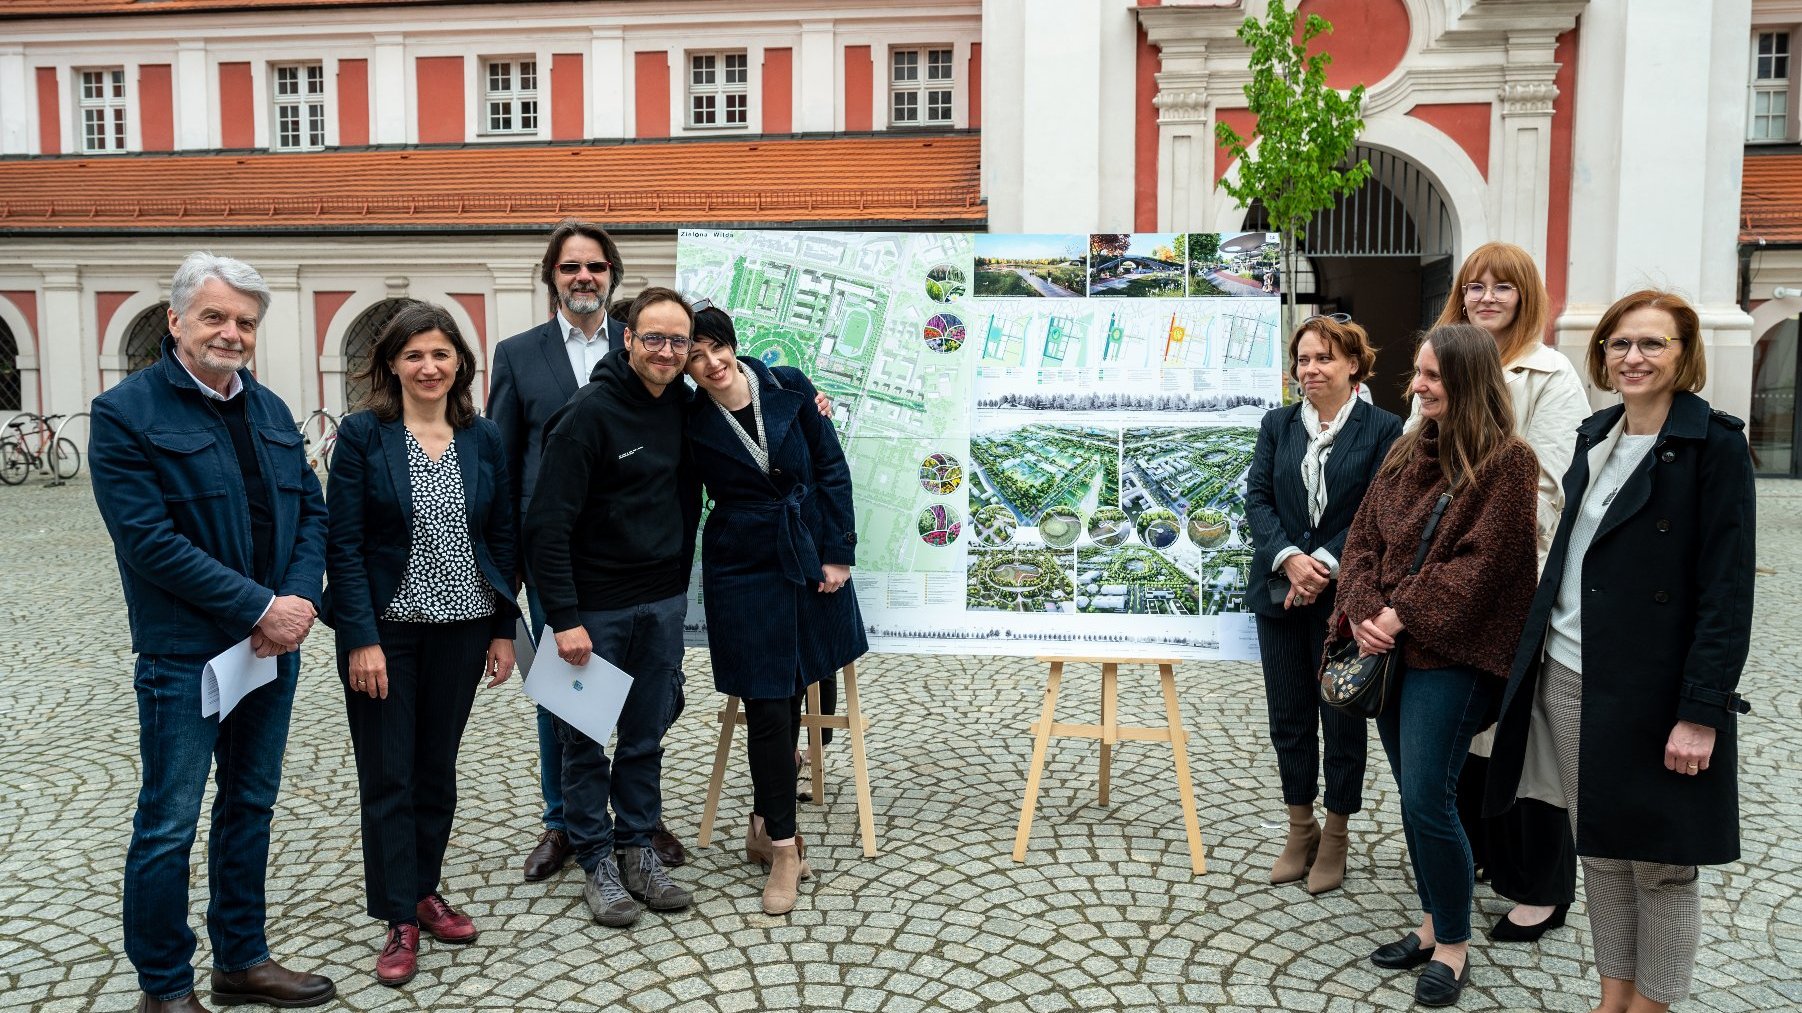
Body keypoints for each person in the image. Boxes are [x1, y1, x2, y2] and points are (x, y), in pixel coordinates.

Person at [1487, 291, 1755, 1013]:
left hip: (1657, 691)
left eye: (1652, 344)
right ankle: (1613, 998)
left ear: (1683, 355)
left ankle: (1654, 1004)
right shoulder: (1595, 433)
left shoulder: (1716, 447)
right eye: (1619, 344)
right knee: (1600, 850)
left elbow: (1724, 592)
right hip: (1573, 675)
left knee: (1662, 866)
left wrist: (1702, 712)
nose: (1632, 357)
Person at [89, 252, 335, 1013]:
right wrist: (260, 608)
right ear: (176, 320)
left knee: (250, 803)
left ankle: (242, 957)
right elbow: (149, 542)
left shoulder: (267, 409)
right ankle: (164, 987)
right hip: (185, 653)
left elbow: (311, 513)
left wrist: (294, 601)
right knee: (170, 819)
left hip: (268, 650)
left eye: (245, 322)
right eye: (216, 317)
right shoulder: (126, 412)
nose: (231, 333)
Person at [1337, 323, 1540, 1008]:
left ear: (1469, 380)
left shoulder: (1509, 463)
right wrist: (1364, 608)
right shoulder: (1404, 449)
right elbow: (1362, 537)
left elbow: (1481, 567)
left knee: (1429, 796)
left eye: (1431, 376)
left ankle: (1452, 945)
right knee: (1417, 797)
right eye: (1417, 373)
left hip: (1450, 657)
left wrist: (1399, 615)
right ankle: (1429, 924)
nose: (1417, 386)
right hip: (1391, 650)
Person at [321, 302, 519, 986]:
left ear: (460, 361)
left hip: (464, 628)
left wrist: (501, 628)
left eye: (440, 353)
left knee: (436, 771)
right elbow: (341, 545)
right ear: (392, 365)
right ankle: (398, 916)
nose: (428, 366)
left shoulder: (484, 436)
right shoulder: (363, 436)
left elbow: (504, 536)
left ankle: (426, 888)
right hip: (389, 633)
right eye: (414, 355)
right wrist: (360, 639)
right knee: (388, 773)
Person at [488, 218, 687, 879]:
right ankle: (564, 823)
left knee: (640, 701)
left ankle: (636, 822)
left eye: (596, 267)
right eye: (571, 266)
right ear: (552, 276)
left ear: (611, 279)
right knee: (567, 698)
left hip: (638, 572)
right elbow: (502, 458)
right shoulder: (521, 353)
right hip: (558, 563)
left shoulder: (650, 355)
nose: (583, 277)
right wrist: (506, 565)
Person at [524, 286, 702, 928]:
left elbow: (749, 389)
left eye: (677, 341)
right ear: (627, 340)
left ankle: (636, 848)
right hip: (593, 613)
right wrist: (564, 619)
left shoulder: (684, 406)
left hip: (660, 605)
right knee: (583, 742)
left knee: (645, 737)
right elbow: (546, 526)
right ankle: (596, 860)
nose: (666, 351)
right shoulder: (588, 415)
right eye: (653, 338)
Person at [1425, 241, 1588, 941]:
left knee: (1529, 736)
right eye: (1474, 286)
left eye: (1503, 288)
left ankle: (1542, 884)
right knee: (1467, 729)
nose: (1486, 297)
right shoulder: (1446, 364)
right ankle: (1482, 858)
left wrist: (1489, 561)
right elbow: (1416, 469)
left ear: (1527, 297)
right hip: (1447, 581)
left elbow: (1547, 487)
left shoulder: (1550, 374)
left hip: (1519, 580)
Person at [683, 307, 868, 915]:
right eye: (695, 356)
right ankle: (785, 847)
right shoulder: (687, 418)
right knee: (766, 699)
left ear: (734, 343)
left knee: (793, 684)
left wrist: (838, 553)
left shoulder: (789, 384)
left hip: (809, 546)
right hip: (741, 560)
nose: (711, 364)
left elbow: (833, 469)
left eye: (717, 349)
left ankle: (764, 822)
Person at [1244, 313, 1401, 894]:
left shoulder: (1387, 428)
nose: (1310, 370)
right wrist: (1289, 558)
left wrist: (1324, 565)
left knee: (1341, 716)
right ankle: (1299, 826)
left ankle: (1336, 833)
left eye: (1323, 358)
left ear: (1354, 364)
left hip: (1347, 596)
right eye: (1303, 360)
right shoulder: (1277, 425)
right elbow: (1258, 498)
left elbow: (1380, 509)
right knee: (1288, 716)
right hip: (1280, 594)